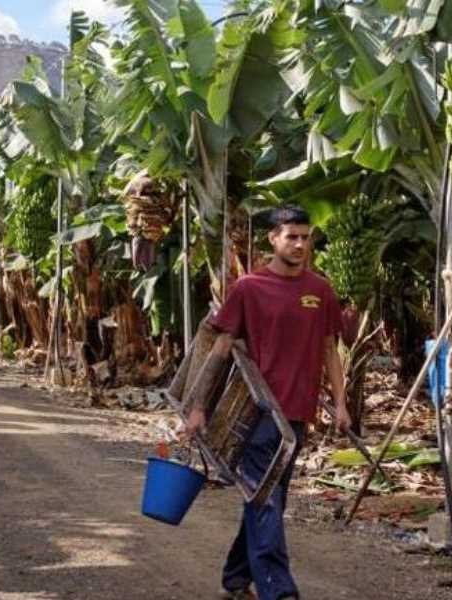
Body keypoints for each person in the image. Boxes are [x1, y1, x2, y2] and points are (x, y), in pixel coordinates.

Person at [180, 205, 350, 600]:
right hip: (256, 413)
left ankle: (235, 578)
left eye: (305, 237)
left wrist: (341, 404)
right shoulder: (249, 288)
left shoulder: (320, 291)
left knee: (269, 499)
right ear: (273, 239)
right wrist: (199, 407)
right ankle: (279, 590)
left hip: (297, 416)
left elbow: (330, 351)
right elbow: (220, 348)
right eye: (291, 237)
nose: (300, 244)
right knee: (266, 500)